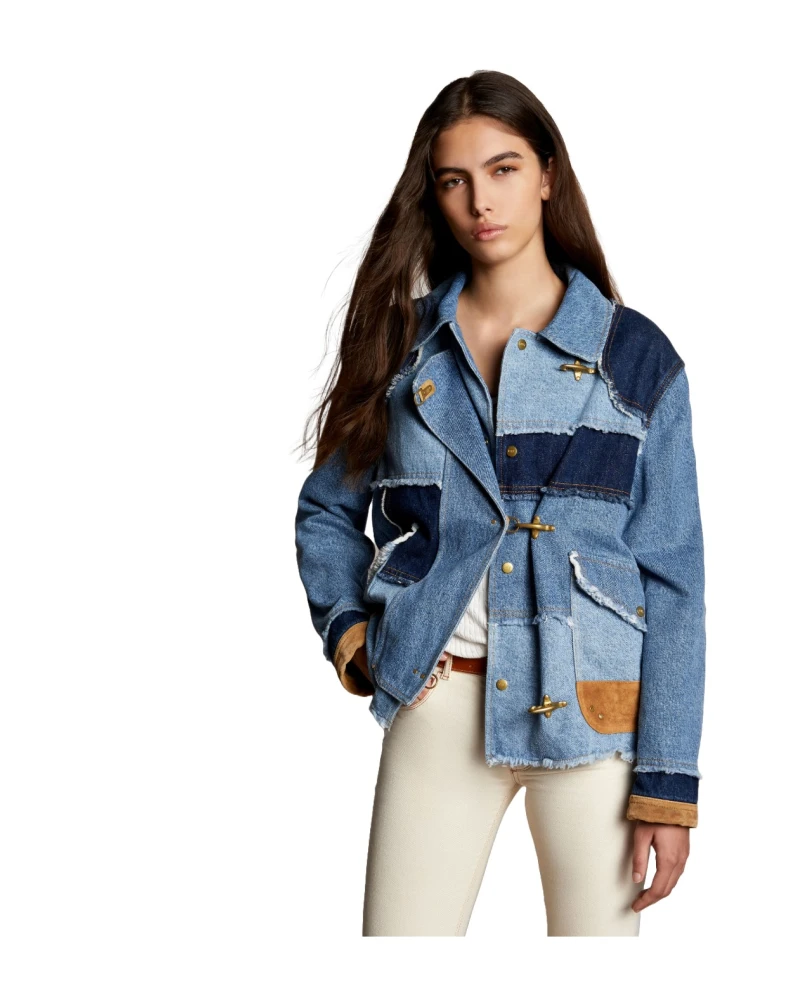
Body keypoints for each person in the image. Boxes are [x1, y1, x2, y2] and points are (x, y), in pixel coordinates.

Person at [294, 70, 707, 936]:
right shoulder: (402, 345)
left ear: (548, 174)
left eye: (504, 169)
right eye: (454, 179)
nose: (481, 201)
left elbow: (674, 581)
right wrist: (354, 636)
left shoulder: (637, 360)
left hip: (592, 715)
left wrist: (667, 787)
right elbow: (327, 511)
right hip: (438, 703)